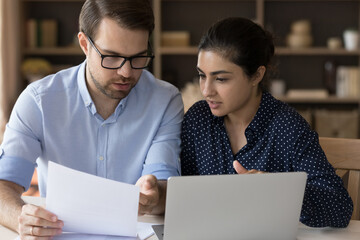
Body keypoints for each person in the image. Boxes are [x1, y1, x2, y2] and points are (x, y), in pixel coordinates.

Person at [0, 0, 183, 239]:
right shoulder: (39, 101)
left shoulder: (165, 100)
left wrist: (154, 195)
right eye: (112, 57)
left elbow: (163, 187)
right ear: (85, 44)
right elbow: (4, 183)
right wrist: (21, 217)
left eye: (138, 58)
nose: (126, 72)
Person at [180, 17, 353, 228]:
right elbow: (180, 193)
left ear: (256, 76)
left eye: (221, 79)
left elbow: (340, 207)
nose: (206, 90)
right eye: (201, 75)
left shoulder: (287, 126)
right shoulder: (198, 119)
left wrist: (278, 191)